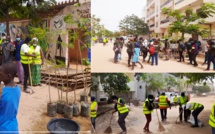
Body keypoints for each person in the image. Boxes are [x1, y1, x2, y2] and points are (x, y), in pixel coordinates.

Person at [0, 62, 21, 132]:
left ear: (8, 76)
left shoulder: (3, 92)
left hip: (2, 127)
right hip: (13, 127)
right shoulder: (17, 89)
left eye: (0, 74)